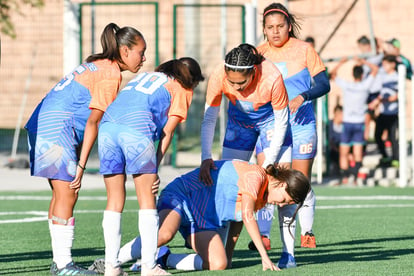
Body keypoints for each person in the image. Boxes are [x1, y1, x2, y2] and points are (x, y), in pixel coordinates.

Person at [24, 23, 146, 275]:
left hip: (42, 122)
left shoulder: (99, 64)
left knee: (62, 195)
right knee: (68, 192)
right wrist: (81, 165)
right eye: (140, 52)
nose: (144, 58)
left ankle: (59, 262)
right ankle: (63, 266)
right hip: (56, 126)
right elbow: (93, 122)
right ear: (124, 51)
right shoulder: (111, 73)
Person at [95, 57, 204, 276]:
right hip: (135, 129)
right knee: (147, 201)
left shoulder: (144, 76)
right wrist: (155, 167)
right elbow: (167, 132)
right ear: (191, 80)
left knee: (114, 201)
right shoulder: (182, 88)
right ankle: (149, 266)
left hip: (107, 128)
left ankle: (111, 267)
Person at [113, 160, 310, 273]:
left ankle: (165, 257)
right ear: (282, 185)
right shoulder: (256, 176)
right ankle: (112, 261)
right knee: (164, 234)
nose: (281, 205)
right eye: (285, 200)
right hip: (182, 195)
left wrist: (229, 255)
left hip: (201, 219)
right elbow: (248, 215)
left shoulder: (264, 196)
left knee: (219, 264)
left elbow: (238, 221)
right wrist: (264, 257)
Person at [198, 43, 292, 267]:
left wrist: (268, 164)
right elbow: (210, 118)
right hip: (239, 125)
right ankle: (220, 250)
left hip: (271, 124)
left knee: (282, 183)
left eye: (242, 82)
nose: (236, 88)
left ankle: (289, 254)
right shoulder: (219, 74)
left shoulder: (272, 77)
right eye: (232, 83)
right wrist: (205, 156)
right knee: (227, 185)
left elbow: (281, 122)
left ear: (254, 72)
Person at [254, 2, 330, 259]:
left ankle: (306, 232)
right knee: (269, 179)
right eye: (270, 27)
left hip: (301, 124)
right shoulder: (257, 54)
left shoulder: (304, 50)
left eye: (280, 26)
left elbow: (324, 84)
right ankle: (263, 236)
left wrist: (303, 96)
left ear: (289, 26)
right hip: (272, 125)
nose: (275, 31)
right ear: (264, 29)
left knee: (298, 183)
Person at [330, 57, 379, 184]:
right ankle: (356, 178)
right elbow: (375, 69)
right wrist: (364, 61)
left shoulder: (347, 85)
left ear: (352, 74)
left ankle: (345, 177)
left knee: (343, 152)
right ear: (362, 75)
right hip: (359, 123)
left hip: (347, 123)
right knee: (358, 152)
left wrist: (342, 62)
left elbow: (332, 74)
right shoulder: (365, 85)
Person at [368, 55, 399, 168]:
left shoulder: (397, 76)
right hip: (383, 112)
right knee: (377, 135)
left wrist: (384, 100)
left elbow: (397, 96)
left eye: (386, 64)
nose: (384, 66)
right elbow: (381, 94)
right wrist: (375, 103)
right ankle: (385, 156)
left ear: (393, 64)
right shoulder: (383, 77)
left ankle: (396, 159)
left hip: (393, 114)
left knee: (392, 137)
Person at [328, 105, 343, 177]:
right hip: (333, 148)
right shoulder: (329, 124)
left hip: (342, 147)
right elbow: (329, 139)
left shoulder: (345, 125)